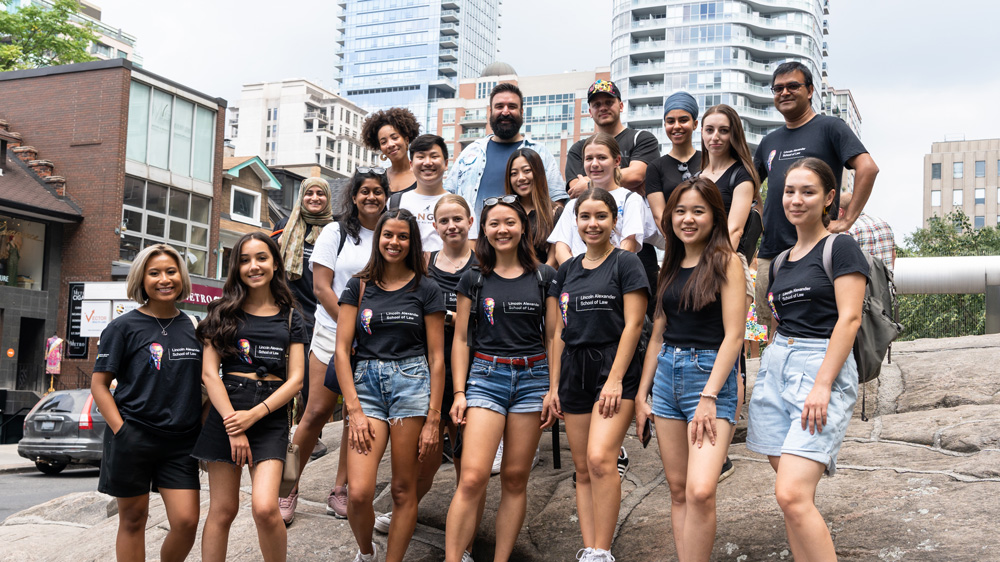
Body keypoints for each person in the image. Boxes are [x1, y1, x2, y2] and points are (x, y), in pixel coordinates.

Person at [746, 157, 868, 561]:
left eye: (808, 191)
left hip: (819, 367)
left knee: (792, 494)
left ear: (829, 198)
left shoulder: (840, 247)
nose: (796, 200)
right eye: (789, 191)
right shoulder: (782, 260)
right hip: (778, 366)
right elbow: (779, 323)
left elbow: (848, 319)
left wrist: (823, 384)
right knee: (793, 501)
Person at [634, 177, 747, 562]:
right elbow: (656, 337)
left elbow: (735, 337)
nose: (687, 219)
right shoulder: (671, 263)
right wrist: (641, 395)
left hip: (709, 376)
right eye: (680, 211)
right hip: (666, 377)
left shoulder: (727, 261)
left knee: (701, 489)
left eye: (698, 211)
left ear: (714, 216)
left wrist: (709, 397)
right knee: (679, 489)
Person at [444, 197, 558, 562]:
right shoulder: (474, 278)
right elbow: (461, 339)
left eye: (510, 222)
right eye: (494, 224)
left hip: (533, 378)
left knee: (513, 478)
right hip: (485, 377)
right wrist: (459, 391)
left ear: (523, 227)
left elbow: (555, 337)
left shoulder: (545, 277)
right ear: (485, 230)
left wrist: (553, 389)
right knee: (474, 477)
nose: (502, 230)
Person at [335, 209, 446, 562]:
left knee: (402, 489)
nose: (394, 242)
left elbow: (437, 357)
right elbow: (341, 350)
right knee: (359, 493)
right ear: (378, 238)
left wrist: (433, 419)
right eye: (388, 235)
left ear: (412, 242)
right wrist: (352, 408)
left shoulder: (426, 288)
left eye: (402, 236)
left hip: (412, 385)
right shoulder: (359, 285)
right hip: (366, 385)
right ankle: (366, 553)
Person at [279, 170, 388, 524]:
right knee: (314, 413)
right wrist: (350, 325)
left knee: (354, 419)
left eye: (378, 192)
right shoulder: (336, 231)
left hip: (374, 340)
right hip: (331, 333)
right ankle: (288, 487)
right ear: (353, 196)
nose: (371, 197)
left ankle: (339, 490)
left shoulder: (392, 232)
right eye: (364, 192)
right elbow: (323, 287)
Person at [374, 195, 480, 561]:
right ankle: (407, 508)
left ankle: (465, 546)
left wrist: (455, 319)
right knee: (428, 456)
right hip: (427, 369)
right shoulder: (425, 264)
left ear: (470, 220)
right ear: (433, 225)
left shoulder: (484, 264)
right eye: (443, 220)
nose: (451, 226)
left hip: (470, 367)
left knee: (468, 463)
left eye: (457, 219)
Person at [546, 188, 649, 562]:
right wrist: (554, 385)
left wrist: (616, 379)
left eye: (601, 216)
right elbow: (558, 331)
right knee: (582, 467)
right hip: (574, 370)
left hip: (613, 368)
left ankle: (603, 550)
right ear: (575, 222)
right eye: (585, 217)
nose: (592, 224)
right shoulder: (567, 270)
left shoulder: (625, 263)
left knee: (602, 458)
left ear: (614, 220)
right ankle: (589, 549)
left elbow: (634, 324)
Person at [192, 232, 307, 562]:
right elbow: (209, 373)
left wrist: (253, 416)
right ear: (235, 267)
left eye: (261, 258)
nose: (253, 266)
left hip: (268, 416)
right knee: (223, 511)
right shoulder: (221, 312)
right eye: (244, 260)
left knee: (266, 508)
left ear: (274, 264)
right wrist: (235, 426)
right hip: (226, 410)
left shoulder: (290, 317)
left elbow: (296, 379)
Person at [91, 244, 201, 562]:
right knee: (133, 520)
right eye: (154, 273)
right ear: (142, 279)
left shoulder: (195, 327)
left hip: (181, 444)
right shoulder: (122, 328)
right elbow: (99, 386)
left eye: (171, 271)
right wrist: (122, 432)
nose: (164, 279)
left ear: (181, 276)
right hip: (132, 436)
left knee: (186, 522)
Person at [753, 61, 879, 334]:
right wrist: (757, 225)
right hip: (771, 254)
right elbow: (749, 187)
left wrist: (847, 222)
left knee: (818, 329)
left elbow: (867, 168)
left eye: (793, 86)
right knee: (774, 333)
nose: (784, 92)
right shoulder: (769, 142)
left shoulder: (830, 127)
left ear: (810, 91)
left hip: (816, 252)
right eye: (778, 88)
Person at [699, 103, 763, 478]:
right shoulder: (700, 171)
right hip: (693, 269)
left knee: (732, 350)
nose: (715, 137)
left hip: (726, 268)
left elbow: (735, 230)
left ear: (733, 134)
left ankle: (723, 446)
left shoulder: (742, 175)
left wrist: (707, 268)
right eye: (709, 130)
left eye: (723, 130)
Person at [564, 79, 661, 299]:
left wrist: (589, 182)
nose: (603, 107)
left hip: (637, 246)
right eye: (597, 104)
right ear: (590, 110)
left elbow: (638, 173)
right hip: (588, 249)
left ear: (621, 105)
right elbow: (574, 190)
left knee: (641, 316)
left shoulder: (641, 138)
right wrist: (623, 181)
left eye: (609, 101)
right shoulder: (579, 148)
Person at [444, 82, 569, 218]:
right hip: (472, 238)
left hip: (526, 238)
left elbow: (557, 202)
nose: (505, 111)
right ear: (490, 112)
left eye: (512, 106)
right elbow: (448, 195)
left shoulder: (541, 153)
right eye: (499, 106)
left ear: (521, 112)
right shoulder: (470, 152)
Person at [549, 133, 647, 265]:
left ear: (617, 161)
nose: (594, 164)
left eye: (601, 157)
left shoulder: (630, 199)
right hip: (578, 278)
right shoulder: (573, 205)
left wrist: (605, 273)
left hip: (614, 277)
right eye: (589, 158)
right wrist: (576, 272)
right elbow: (561, 247)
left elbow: (629, 244)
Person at [645, 91, 701, 230]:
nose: (676, 126)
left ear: (695, 124)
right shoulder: (655, 168)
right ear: (664, 125)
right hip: (674, 244)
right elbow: (660, 217)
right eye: (671, 121)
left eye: (683, 120)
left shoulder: (710, 161)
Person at [392, 134, 449, 253]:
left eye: (434, 156)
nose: (427, 162)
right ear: (411, 165)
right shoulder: (395, 202)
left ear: (446, 164)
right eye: (421, 157)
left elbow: (468, 253)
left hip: (445, 270)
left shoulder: (459, 205)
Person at [506, 148, 556, 265]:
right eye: (514, 173)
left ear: (538, 172)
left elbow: (553, 261)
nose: (521, 178)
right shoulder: (504, 212)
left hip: (541, 280)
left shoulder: (554, 213)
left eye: (527, 171)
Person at [361, 107, 422, 195]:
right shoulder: (378, 179)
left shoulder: (423, 175)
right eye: (383, 142)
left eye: (394, 138)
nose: (390, 144)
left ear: (406, 140)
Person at [840, 190, 895, 271]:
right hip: (887, 282)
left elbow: (846, 263)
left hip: (862, 283)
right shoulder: (883, 223)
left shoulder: (847, 229)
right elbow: (893, 255)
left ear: (841, 211)